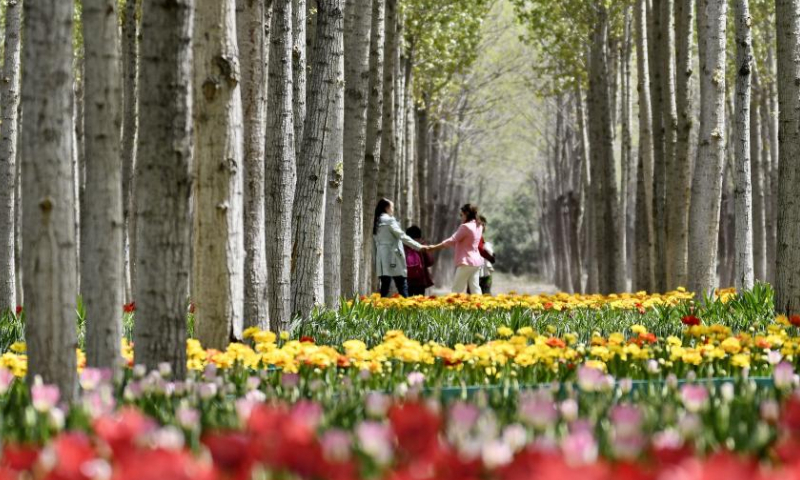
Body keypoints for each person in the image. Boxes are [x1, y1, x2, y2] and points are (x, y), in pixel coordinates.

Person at [426, 204, 484, 294]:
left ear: (467, 213)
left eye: (461, 215)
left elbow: (452, 240)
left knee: (456, 290)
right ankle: (482, 307)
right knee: (475, 289)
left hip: (466, 262)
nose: (461, 218)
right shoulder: (479, 226)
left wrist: (434, 247)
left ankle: (453, 307)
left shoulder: (465, 227)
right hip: (476, 262)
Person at [373, 198, 423, 297]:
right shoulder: (390, 220)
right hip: (394, 257)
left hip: (381, 258)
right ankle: (406, 309)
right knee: (402, 284)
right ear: (386, 208)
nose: (393, 210)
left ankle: (381, 309)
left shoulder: (376, 221)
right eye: (392, 207)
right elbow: (402, 236)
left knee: (384, 287)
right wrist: (418, 246)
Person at [404, 225, 435, 296]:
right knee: (419, 301)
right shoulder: (422, 246)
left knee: (407, 302)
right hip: (420, 279)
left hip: (407, 279)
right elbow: (430, 261)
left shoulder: (405, 246)